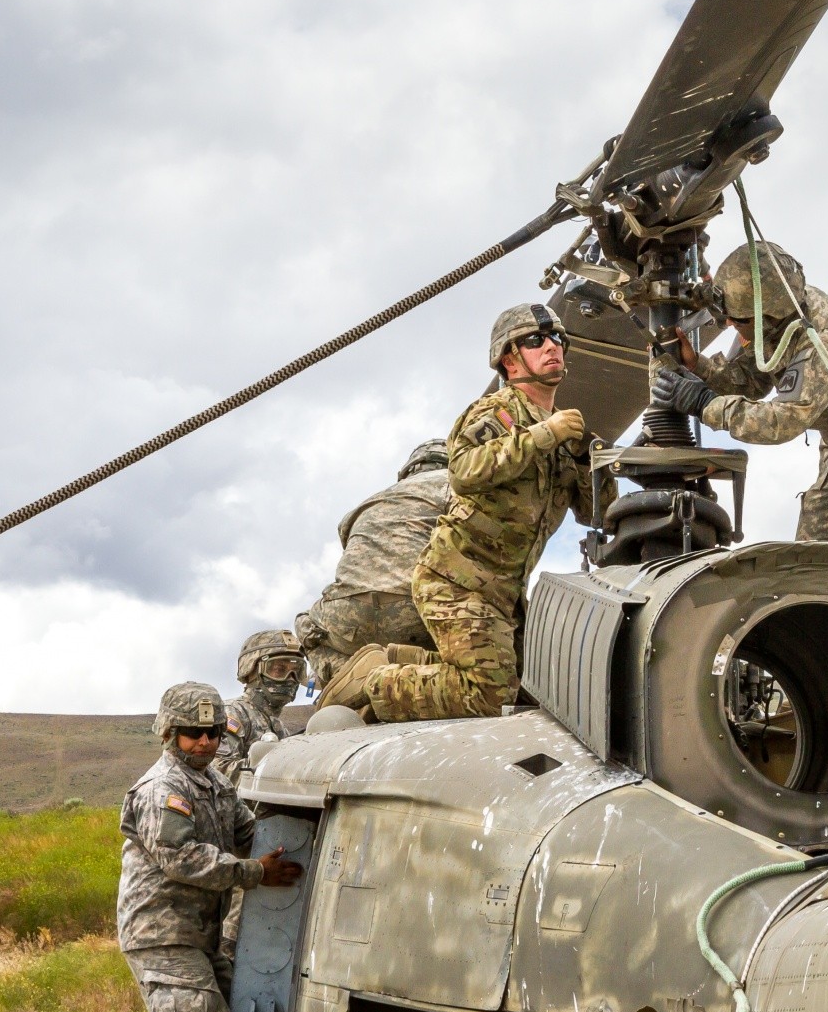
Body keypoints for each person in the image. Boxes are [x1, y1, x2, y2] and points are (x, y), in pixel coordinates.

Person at [317, 303, 605, 722]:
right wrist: (545, 434)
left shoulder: (564, 432)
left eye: (559, 339)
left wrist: (585, 460)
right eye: (536, 340)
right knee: (488, 695)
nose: (552, 347)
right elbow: (465, 471)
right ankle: (374, 679)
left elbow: (596, 514)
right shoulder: (497, 412)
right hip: (457, 581)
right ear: (510, 358)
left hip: (505, 592)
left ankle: (399, 658)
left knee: (534, 693)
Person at [118, 682, 302, 1012]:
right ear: (168, 733)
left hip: (200, 936)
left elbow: (247, 831)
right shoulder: (164, 789)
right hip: (162, 935)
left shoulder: (215, 784)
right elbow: (180, 857)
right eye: (191, 733)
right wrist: (254, 873)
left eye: (212, 733)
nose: (204, 742)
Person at [652, 241, 828, 553]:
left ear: (766, 315)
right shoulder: (776, 316)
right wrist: (698, 367)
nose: (728, 323)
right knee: (813, 556)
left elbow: (779, 423)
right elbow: (750, 381)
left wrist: (705, 404)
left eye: (736, 318)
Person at [294, 440, 452, 688]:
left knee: (306, 622)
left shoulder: (369, 502)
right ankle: (421, 673)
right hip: (419, 611)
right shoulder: (456, 488)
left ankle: (348, 678)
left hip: (347, 615)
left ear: (407, 471)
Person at [212, 630, 306, 782]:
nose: (291, 679)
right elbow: (219, 770)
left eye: (296, 671)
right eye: (279, 670)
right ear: (252, 671)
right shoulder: (233, 713)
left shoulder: (278, 726)